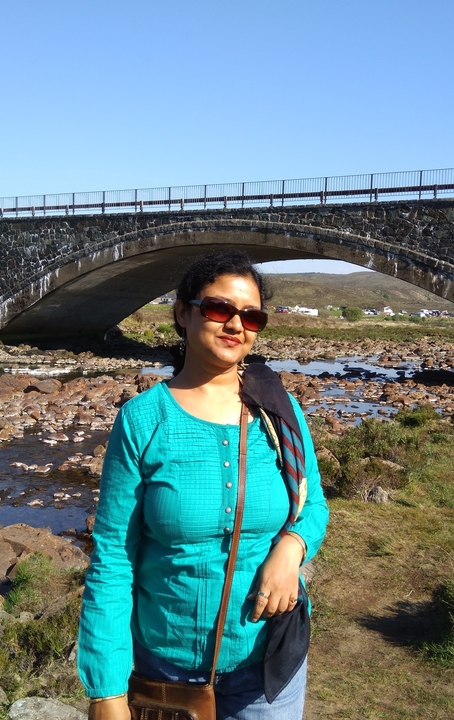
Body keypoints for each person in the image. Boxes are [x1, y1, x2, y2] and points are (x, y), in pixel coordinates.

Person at [78, 250, 329, 720]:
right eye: (219, 309)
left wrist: (291, 547)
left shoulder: (279, 410)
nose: (236, 324)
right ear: (182, 312)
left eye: (251, 316)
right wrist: (106, 690)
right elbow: (113, 557)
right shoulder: (142, 421)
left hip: (269, 663)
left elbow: (312, 503)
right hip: (167, 673)